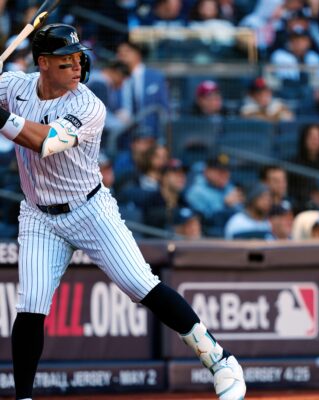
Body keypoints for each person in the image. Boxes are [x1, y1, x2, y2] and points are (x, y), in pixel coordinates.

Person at [0, 23, 246, 400]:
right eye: (66, 62)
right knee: (31, 305)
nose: (77, 67)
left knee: (140, 285)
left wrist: (1, 119)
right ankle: (24, 397)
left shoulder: (87, 104)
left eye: (78, 59)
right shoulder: (15, 86)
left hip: (89, 209)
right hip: (38, 214)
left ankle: (220, 360)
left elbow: (46, 143)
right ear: (44, 63)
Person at [117, 41, 170, 139]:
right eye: (120, 53)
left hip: (152, 137)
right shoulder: (117, 78)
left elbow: (164, 108)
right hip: (123, 137)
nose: (122, 55)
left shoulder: (156, 77)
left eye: (127, 51)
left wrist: (163, 139)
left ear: (138, 54)